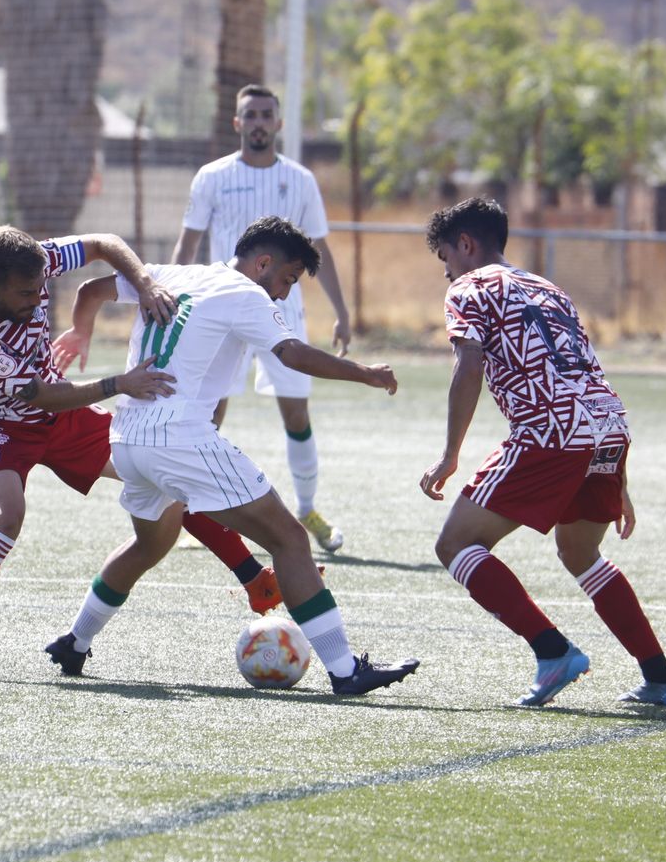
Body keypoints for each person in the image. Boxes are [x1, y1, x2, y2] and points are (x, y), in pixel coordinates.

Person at [44, 217, 418, 696]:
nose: (283, 294)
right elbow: (293, 354)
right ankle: (346, 671)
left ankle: (75, 642)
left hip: (127, 438)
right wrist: (364, 372)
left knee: (150, 544)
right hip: (178, 438)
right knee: (289, 540)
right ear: (262, 262)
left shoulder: (173, 274)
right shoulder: (247, 294)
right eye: (286, 278)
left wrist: (80, 332)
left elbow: (92, 290)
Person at [0, 226, 285, 681]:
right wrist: (118, 384)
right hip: (2, 423)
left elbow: (104, 244)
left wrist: (144, 283)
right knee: (6, 515)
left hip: (65, 415)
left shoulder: (34, 261)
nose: (38, 298)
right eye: (26, 293)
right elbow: (39, 395)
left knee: (163, 470)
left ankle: (255, 580)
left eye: (41, 287)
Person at [418, 197, 666, 708]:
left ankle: (552, 650)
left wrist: (451, 453)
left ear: (467, 245)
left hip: (551, 431)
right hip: (606, 427)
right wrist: (616, 476)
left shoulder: (469, 287)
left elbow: (468, 364)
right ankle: (662, 678)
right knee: (580, 552)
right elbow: (586, 369)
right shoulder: (549, 288)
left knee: (455, 545)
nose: (447, 270)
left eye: (445, 257)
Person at [171, 84, 351, 554]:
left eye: (266, 114)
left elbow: (320, 251)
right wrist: (171, 298)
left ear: (278, 123)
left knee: (296, 413)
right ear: (237, 123)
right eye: (249, 114)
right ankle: (195, 507)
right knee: (208, 412)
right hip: (219, 310)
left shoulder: (300, 180)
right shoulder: (211, 176)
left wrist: (342, 312)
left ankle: (308, 508)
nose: (258, 122)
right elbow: (188, 245)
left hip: (281, 311)